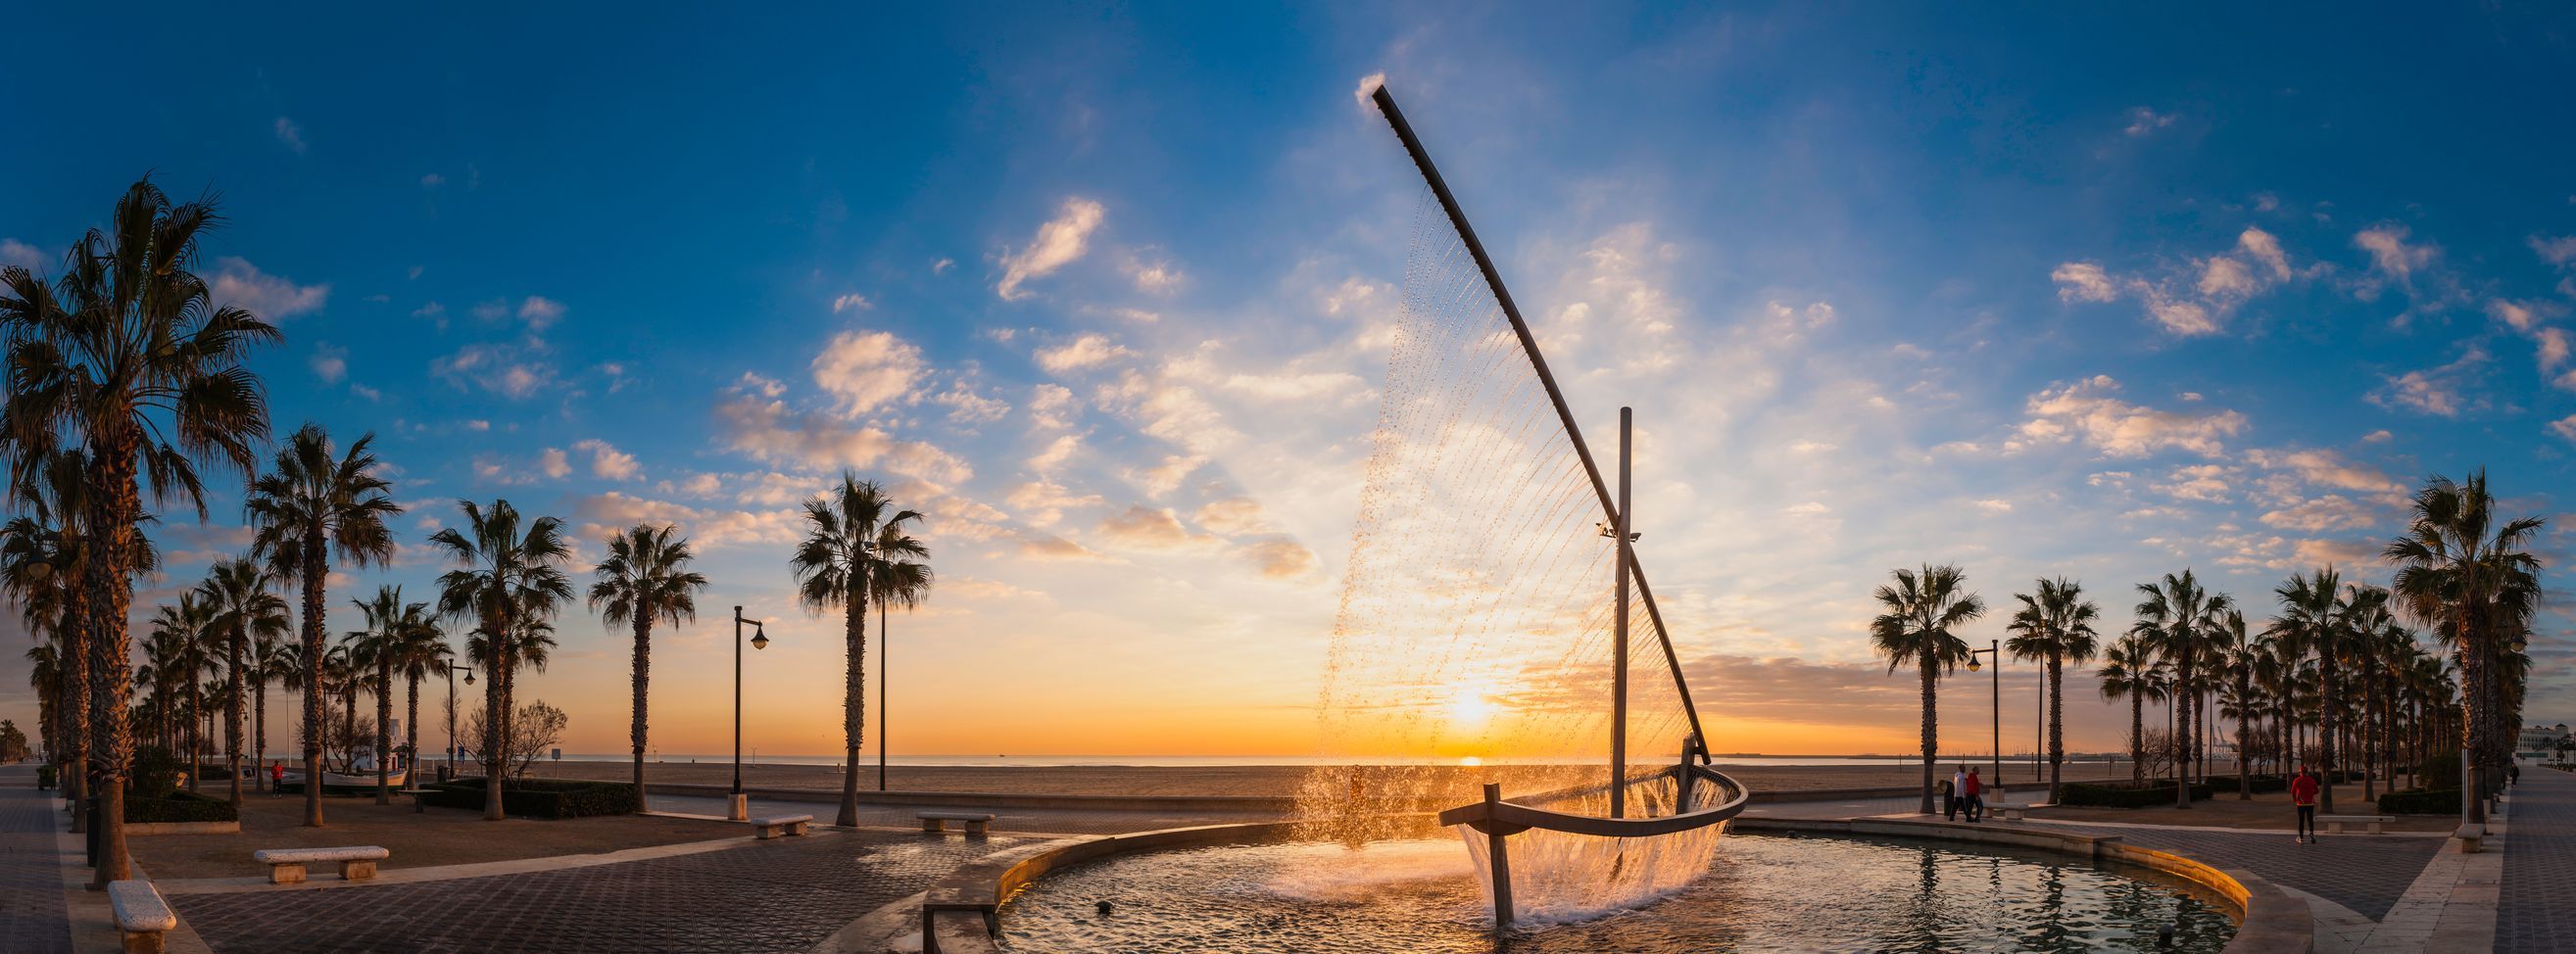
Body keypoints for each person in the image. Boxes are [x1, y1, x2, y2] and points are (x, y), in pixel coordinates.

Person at [2290, 766, 2319, 843]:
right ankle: (2311, 833)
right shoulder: (2311, 780)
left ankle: (2301, 837)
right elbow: (2317, 791)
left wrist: (2295, 798)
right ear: (2307, 772)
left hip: (2300, 804)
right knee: (2310, 820)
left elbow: (2292, 791)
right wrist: (2310, 794)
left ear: (2300, 772)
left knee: (2301, 821)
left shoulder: (2297, 780)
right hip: (2310, 803)